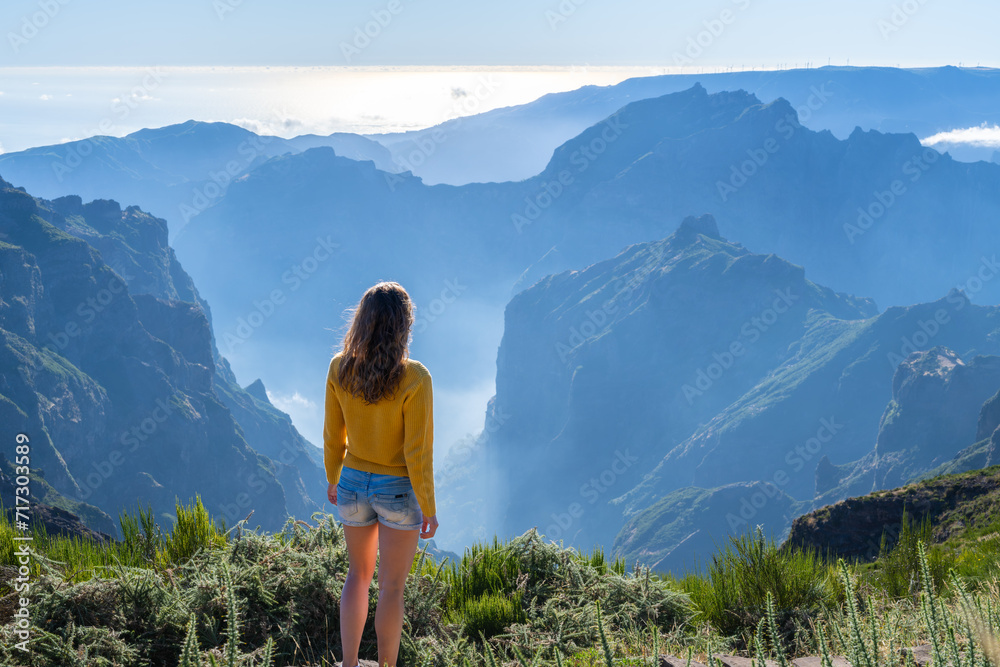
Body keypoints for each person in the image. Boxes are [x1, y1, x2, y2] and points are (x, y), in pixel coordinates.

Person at [324, 281, 438, 667]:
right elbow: (417, 452)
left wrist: (333, 477)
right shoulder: (416, 378)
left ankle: (350, 663)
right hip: (399, 492)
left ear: (362, 321)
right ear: (404, 325)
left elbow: (332, 434)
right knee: (391, 587)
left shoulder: (339, 367)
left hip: (353, 483)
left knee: (356, 576)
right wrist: (429, 506)